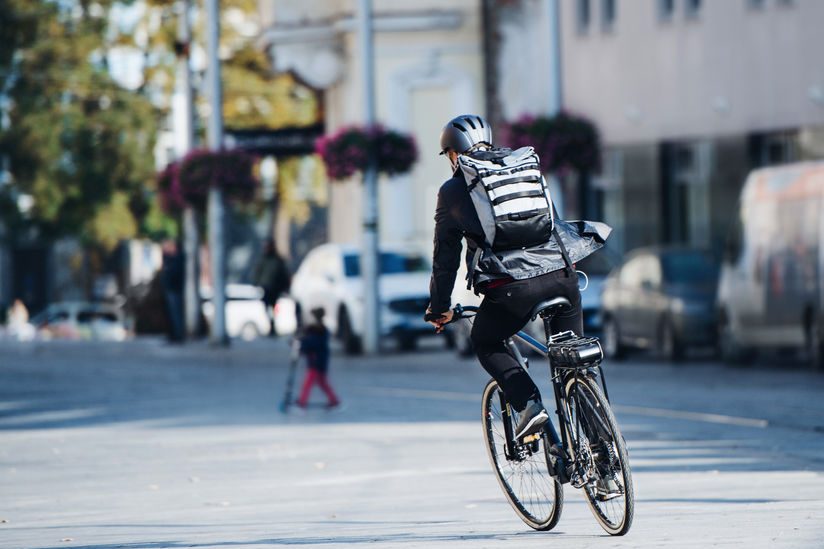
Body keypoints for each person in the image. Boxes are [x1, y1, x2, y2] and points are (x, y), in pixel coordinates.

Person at [425, 114, 609, 441]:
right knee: (576, 364)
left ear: (453, 154)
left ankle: (528, 405)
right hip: (562, 274)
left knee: (487, 341)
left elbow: (445, 258)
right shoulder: (522, 167)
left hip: (512, 288)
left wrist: (439, 308)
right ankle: (605, 462)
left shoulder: (453, 190)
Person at [296, 307, 340, 409]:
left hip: (316, 362)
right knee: (322, 382)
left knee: (309, 383)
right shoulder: (317, 331)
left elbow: (311, 343)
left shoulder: (317, 332)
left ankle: (302, 401)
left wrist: (302, 344)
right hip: (318, 361)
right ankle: (333, 400)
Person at [253, 240, 291, 337]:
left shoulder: (277, 260)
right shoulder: (263, 259)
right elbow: (258, 273)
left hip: (275, 289)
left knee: (274, 308)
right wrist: (256, 283)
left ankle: (273, 326)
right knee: (267, 308)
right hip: (265, 288)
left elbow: (284, 274)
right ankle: (271, 325)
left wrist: (285, 287)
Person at [160, 239, 185, 343]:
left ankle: (178, 335)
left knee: (176, 314)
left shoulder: (178, 259)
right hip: (171, 289)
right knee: (172, 314)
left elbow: (172, 273)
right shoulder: (170, 259)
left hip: (175, 289)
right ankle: (173, 334)